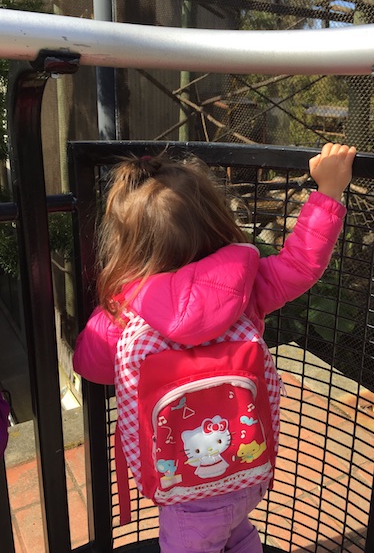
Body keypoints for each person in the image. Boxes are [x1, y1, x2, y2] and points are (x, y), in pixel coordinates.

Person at [73, 142, 356, 553]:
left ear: (128, 243)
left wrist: (104, 308)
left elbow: (92, 366)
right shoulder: (249, 285)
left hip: (184, 495)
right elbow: (301, 264)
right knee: (237, 532)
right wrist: (329, 192)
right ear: (216, 221)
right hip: (248, 469)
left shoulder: (123, 311)